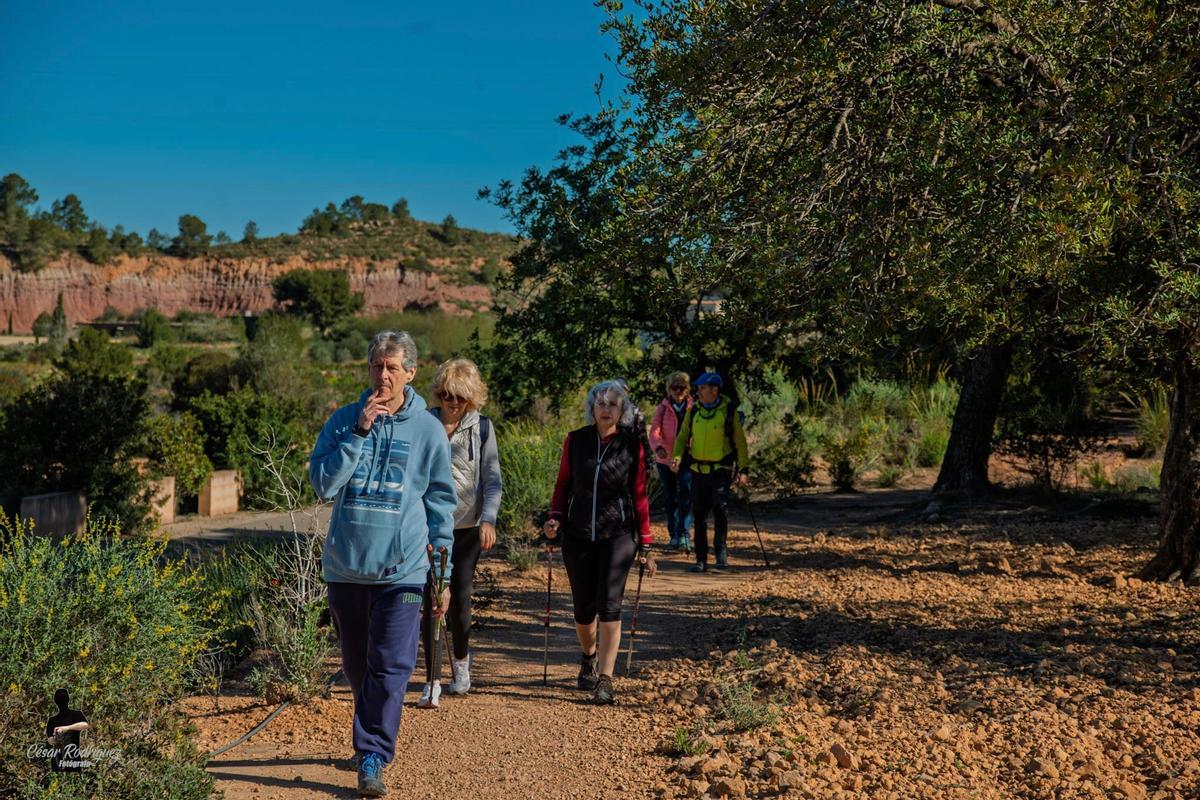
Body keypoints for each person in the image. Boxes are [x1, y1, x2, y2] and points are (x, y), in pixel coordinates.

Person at [310, 330, 457, 798]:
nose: (384, 376)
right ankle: (370, 728)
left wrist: (443, 576)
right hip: (347, 567)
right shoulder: (343, 420)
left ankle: (373, 754)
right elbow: (323, 485)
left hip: (405, 569)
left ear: (411, 373)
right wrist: (359, 434)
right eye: (377, 366)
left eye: (394, 367)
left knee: (391, 666)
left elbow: (440, 504)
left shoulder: (429, 430)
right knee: (358, 666)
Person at [542, 380, 657, 705]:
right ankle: (588, 656)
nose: (606, 408)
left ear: (622, 411)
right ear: (592, 407)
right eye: (601, 403)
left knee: (610, 606)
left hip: (618, 534)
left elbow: (639, 495)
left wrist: (646, 543)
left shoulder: (630, 445)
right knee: (583, 609)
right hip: (578, 533)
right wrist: (555, 518)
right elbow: (563, 484)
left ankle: (605, 679)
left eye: (613, 404)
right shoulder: (575, 441)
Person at [417, 358, 502, 708]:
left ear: (471, 398)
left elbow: (492, 477)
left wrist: (489, 518)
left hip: (466, 529)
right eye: (449, 395)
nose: (454, 403)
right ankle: (431, 679)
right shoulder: (424, 424)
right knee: (429, 599)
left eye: (462, 397)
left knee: (459, 598)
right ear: (440, 393)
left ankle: (461, 664)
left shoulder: (482, 427)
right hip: (426, 526)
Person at [671, 371, 749, 573]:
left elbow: (740, 443)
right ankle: (701, 559)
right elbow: (681, 438)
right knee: (698, 515)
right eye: (698, 387)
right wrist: (677, 457)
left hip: (721, 470)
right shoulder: (694, 410)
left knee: (720, 510)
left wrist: (744, 469)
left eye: (702, 387)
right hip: (698, 470)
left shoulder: (729, 411)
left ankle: (721, 553)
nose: (698, 391)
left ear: (715, 390)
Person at [648, 371, 694, 551]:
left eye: (682, 387)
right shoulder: (663, 408)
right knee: (671, 497)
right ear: (669, 389)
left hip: (688, 458)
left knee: (686, 495)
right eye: (674, 387)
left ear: (687, 389)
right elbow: (654, 431)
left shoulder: (693, 408)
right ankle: (674, 535)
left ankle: (684, 534)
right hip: (665, 459)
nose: (678, 391)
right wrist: (658, 447)